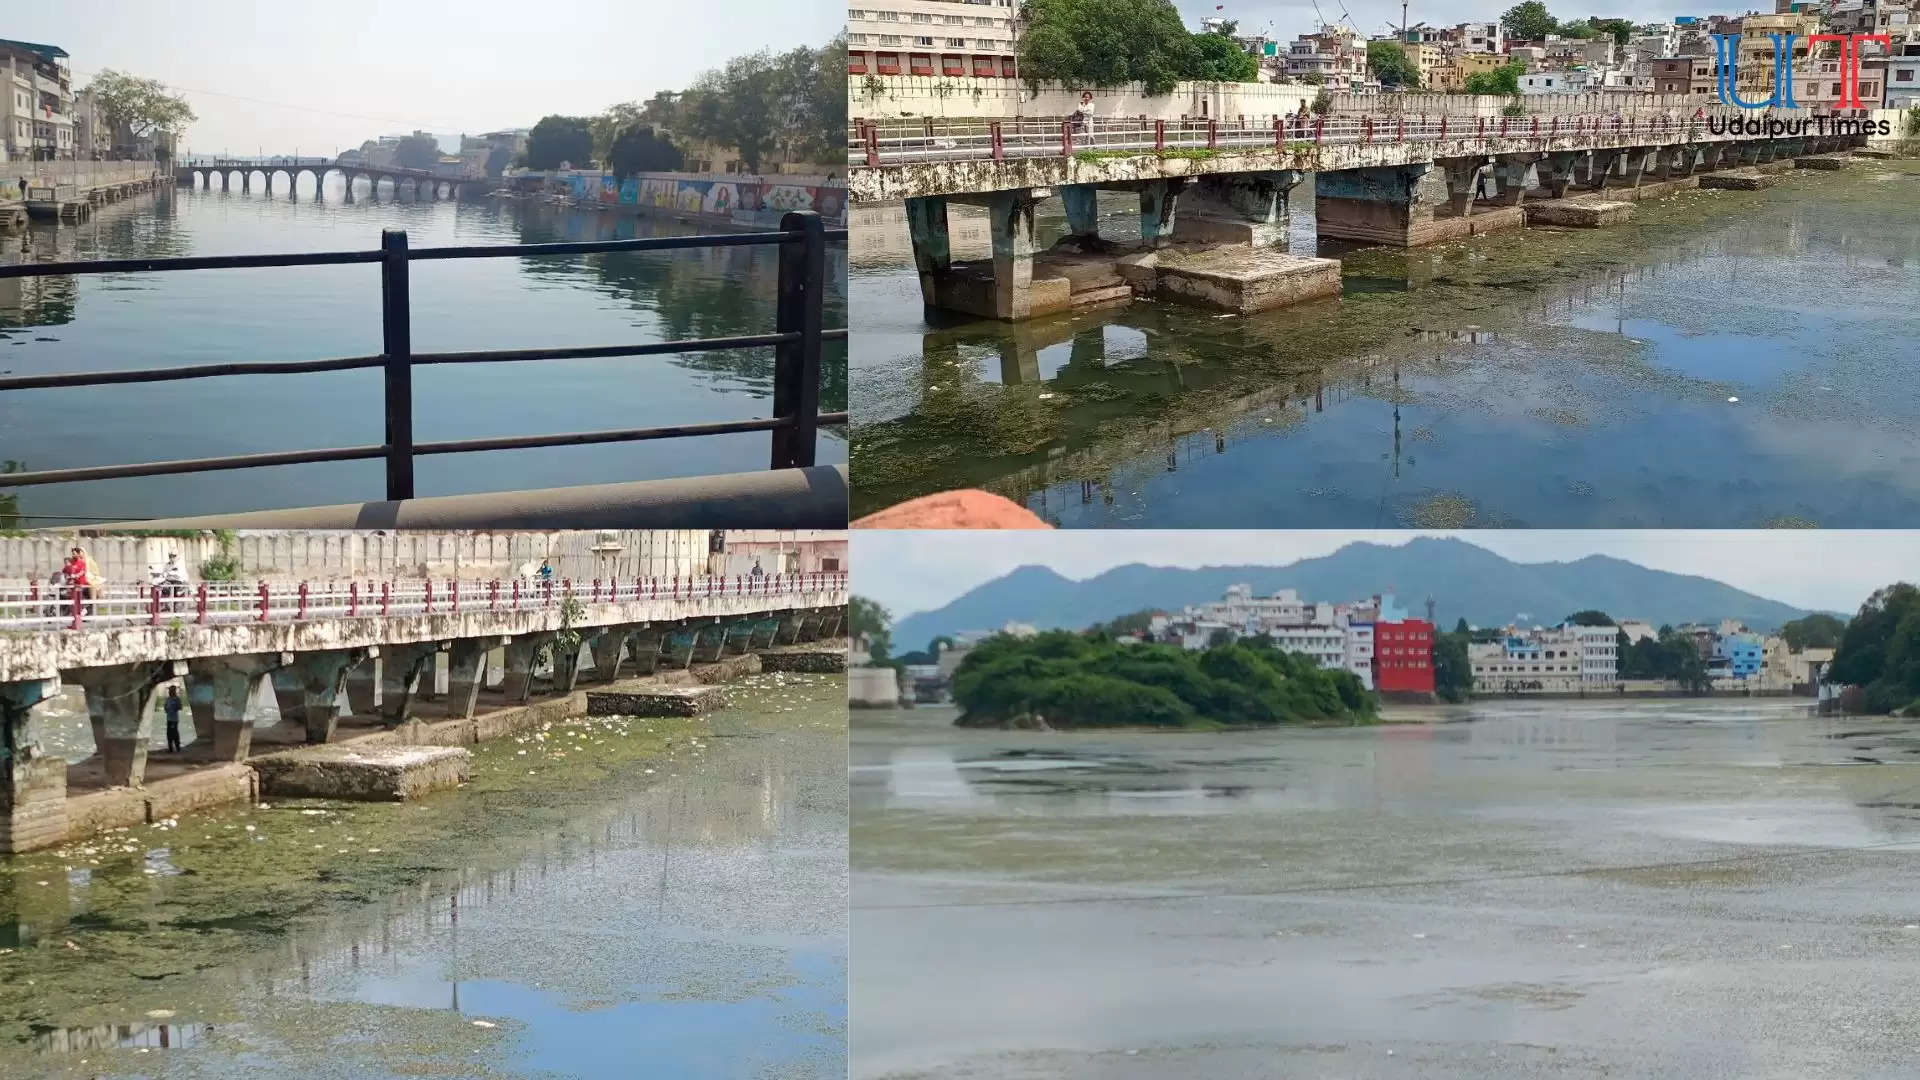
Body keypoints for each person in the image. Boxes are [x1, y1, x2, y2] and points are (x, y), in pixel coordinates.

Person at [164, 686, 183, 753]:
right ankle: (170, 748)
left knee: (174, 733)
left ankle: (177, 748)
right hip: (169, 719)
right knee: (169, 734)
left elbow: (180, 707)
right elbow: (165, 707)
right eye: (169, 690)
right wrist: (166, 708)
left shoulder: (177, 699)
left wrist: (174, 707)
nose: (169, 692)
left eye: (171, 690)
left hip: (174, 719)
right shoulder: (168, 699)